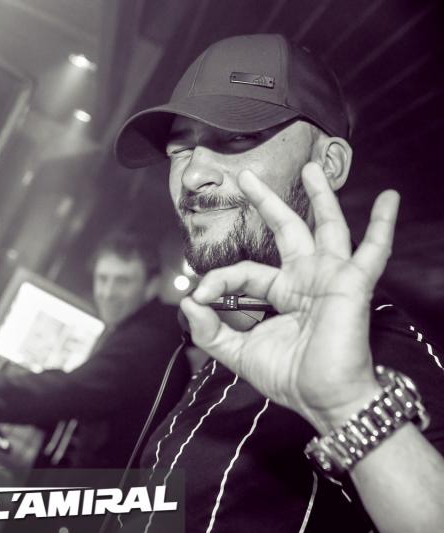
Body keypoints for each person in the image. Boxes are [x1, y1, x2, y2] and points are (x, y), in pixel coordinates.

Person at [112, 34, 444, 532]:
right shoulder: (237, 326)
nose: (193, 175)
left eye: (237, 137)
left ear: (327, 164)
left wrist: (348, 403)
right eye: (181, 148)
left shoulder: (378, 349)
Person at [0, 231, 190, 468]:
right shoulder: (147, 330)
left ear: (151, 286)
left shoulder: (147, 342)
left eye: (123, 281)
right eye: (102, 279)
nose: (107, 292)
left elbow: (68, 392)